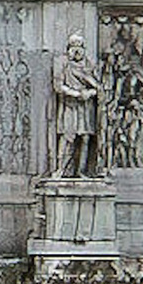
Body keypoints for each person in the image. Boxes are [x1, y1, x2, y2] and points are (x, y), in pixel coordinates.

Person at [51, 33, 102, 178]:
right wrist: (76, 94)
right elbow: (59, 85)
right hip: (70, 105)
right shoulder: (62, 64)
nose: (77, 50)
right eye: (74, 46)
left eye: (80, 46)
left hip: (85, 107)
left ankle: (81, 171)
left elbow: (99, 87)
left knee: (85, 137)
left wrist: (90, 93)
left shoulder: (89, 65)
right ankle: (60, 169)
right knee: (67, 137)